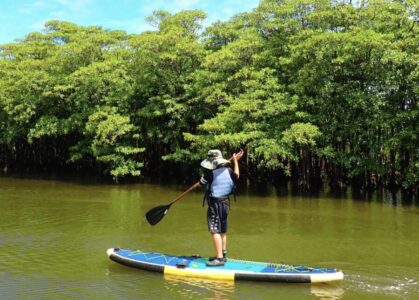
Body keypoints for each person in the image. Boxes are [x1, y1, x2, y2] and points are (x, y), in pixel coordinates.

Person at [199, 149, 244, 266]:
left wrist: (201, 180)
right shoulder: (229, 170)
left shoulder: (209, 174)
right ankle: (223, 255)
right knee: (222, 229)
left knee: (214, 230)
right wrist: (235, 161)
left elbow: (201, 184)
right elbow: (237, 175)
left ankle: (219, 259)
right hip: (225, 203)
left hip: (215, 204)